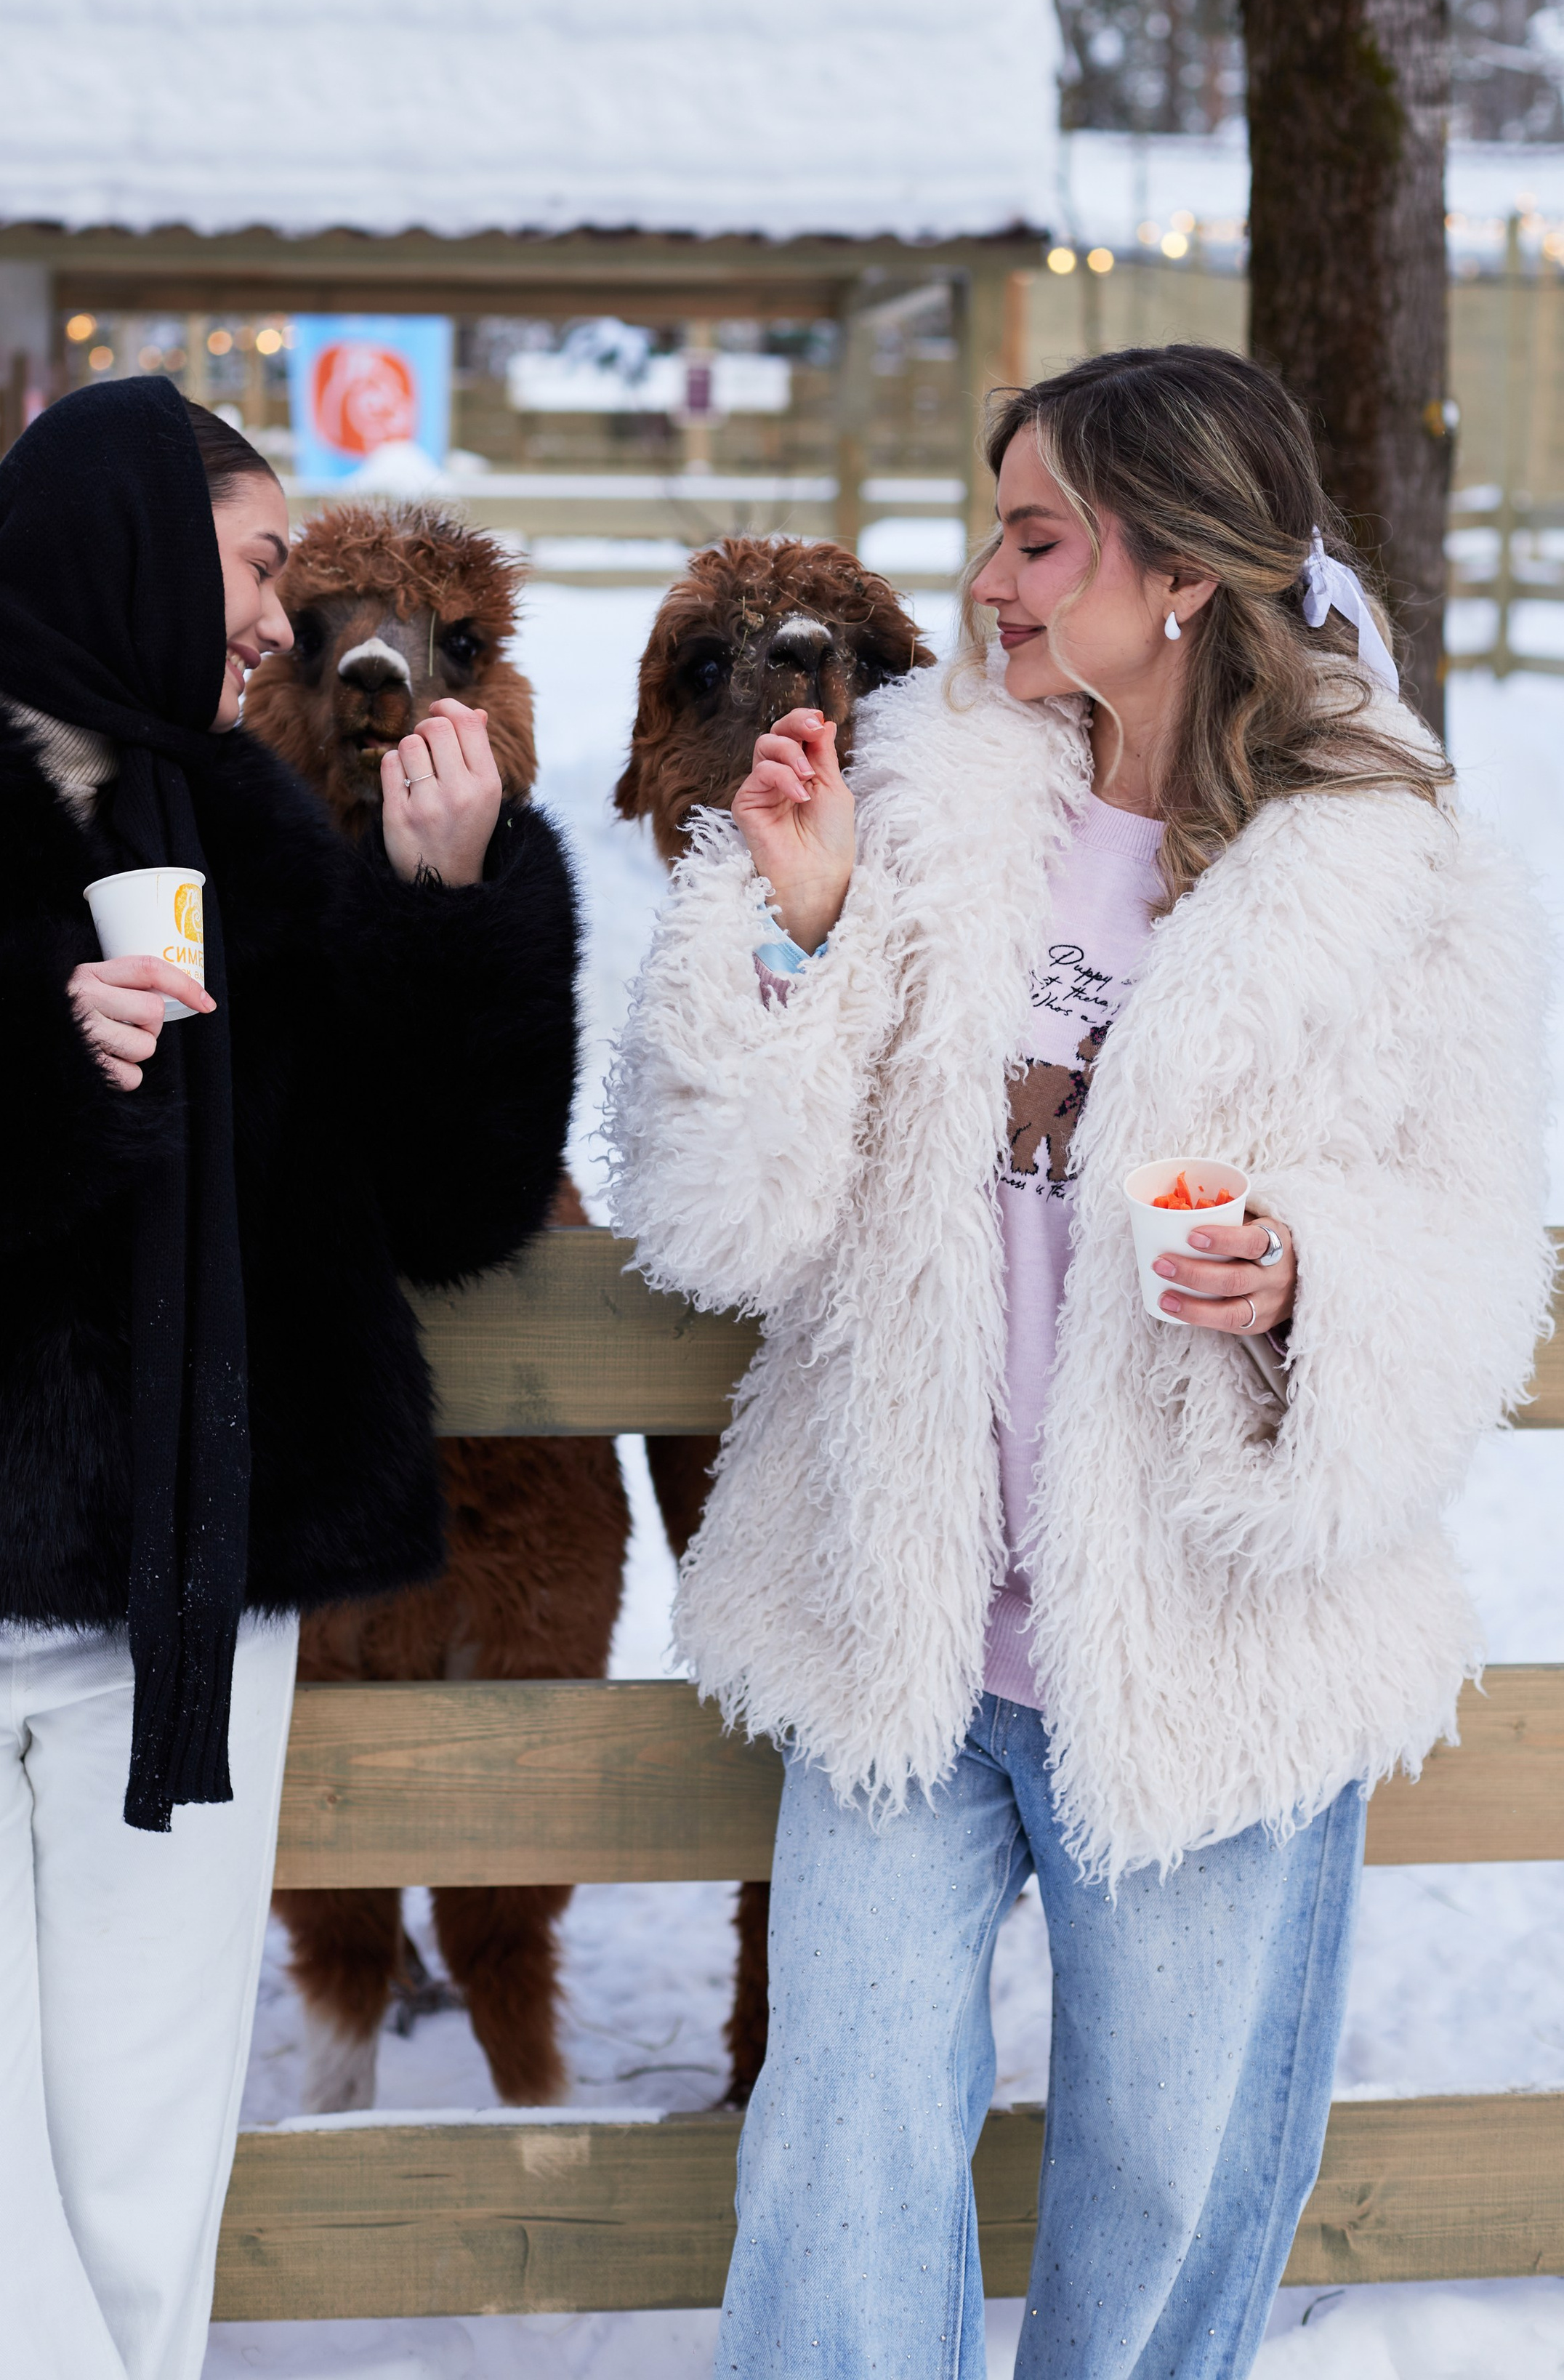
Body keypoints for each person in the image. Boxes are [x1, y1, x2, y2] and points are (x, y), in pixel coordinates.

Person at [607, 345, 1552, 2379]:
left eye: (1038, 537)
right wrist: (789, 934)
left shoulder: (1390, 863)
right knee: (834, 2163)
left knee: (1167, 2196)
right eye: (993, 530)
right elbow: (724, 1216)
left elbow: (1476, 1253)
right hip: (906, 1631)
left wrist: (1310, 1277)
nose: (987, 581)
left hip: (1215, 1644)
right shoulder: (924, 802)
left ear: (1185, 570)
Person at [0, 374, 579, 2380]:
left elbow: (444, 1206)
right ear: (121, 537)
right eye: (261, 559)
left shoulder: (251, 838)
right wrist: (20, 1066)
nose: (280, 617)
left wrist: (454, 915)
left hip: (180, 1631)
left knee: (131, 2201)